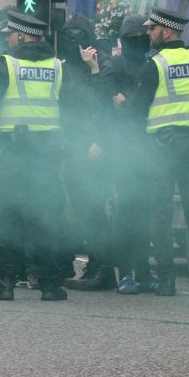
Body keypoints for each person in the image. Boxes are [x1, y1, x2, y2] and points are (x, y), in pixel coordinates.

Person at [0, 10, 69, 302]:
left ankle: (4, 283)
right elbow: (72, 111)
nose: (8, 40)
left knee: (10, 217)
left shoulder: (7, 65)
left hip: (12, 152)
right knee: (46, 218)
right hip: (47, 154)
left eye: (10, 36)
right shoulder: (57, 67)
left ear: (21, 36)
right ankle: (50, 285)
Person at [133, 7, 189, 296]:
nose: (149, 33)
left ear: (166, 32)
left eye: (152, 29)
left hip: (161, 149)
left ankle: (167, 281)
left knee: (160, 213)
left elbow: (138, 111)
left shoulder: (155, 65)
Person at [91, 14, 156, 294]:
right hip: (123, 148)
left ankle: (140, 272)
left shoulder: (152, 66)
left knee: (142, 214)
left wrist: (124, 104)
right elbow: (104, 104)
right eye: (134, 38)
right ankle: (127, 273)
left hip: (145, 147)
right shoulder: (115, 66)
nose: (138, 42)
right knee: (126, 213)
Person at [59, 15, 117, 292]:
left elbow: (105, 105)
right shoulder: (65, 66)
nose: (72, 41)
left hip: (94, 148)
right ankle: (93, 266)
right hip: (73, 145)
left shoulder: (102, 64)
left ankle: (103, 269)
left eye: (77, 35)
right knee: (83, 211)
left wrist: (100, 139)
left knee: (94, 210)